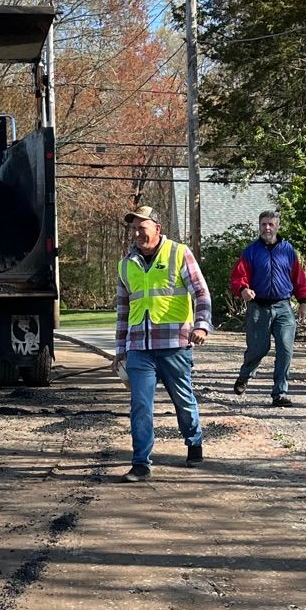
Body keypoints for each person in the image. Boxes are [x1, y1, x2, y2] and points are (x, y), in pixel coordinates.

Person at [114, 204, 212, 482]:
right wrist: (120, 351)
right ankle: (141, 463)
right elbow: (123, 312)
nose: (137, 233)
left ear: (157, 228)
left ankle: (194, 441)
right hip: (139, 348)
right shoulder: (126, 264)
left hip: (175, 345)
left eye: (142, 227)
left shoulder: (180, 254)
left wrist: (202, 326)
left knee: (183, 400)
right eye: (134, 228)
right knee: (140, 405)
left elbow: (202, 294)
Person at [229, 208, 306, 406]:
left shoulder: (288, 250)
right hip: (259, 307)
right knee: (259, 348)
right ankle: (245, 375)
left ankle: (279, 393)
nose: (267, 228)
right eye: (264, 224)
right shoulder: (251, 251)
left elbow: (298, 277)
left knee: (285, 348)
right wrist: (243, 290)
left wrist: (303, 301)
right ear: (259, 226)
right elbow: (238, 277)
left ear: (277, 226)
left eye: (271, 224)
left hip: (283, 306)